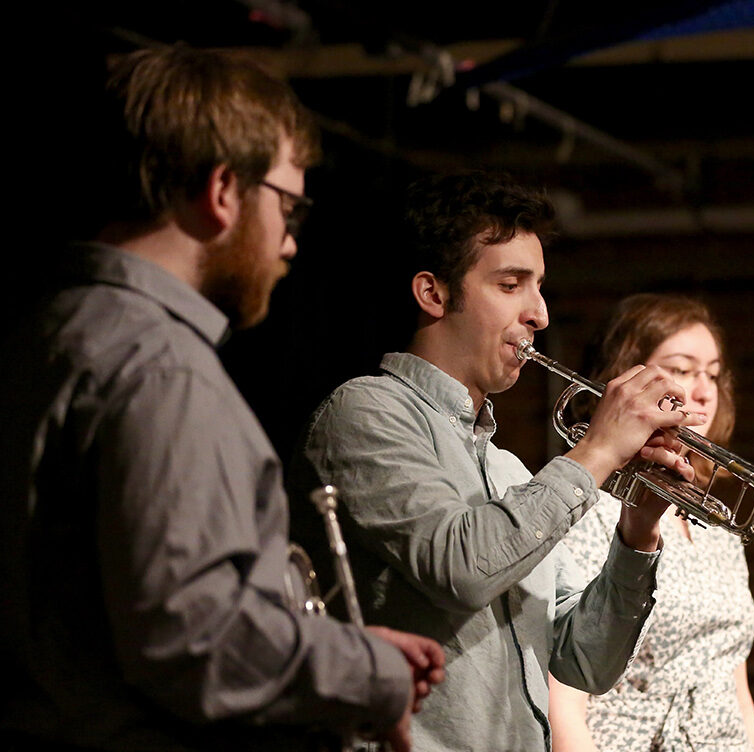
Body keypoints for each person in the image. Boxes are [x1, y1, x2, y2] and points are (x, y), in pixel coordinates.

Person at [0, 46, 442, 752]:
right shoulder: (162, 370)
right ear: (222, 191)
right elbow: (194, 641)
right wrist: (367, 672)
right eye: (290, 207)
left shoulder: (39, 338)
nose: (290, 244)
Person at [289, 172, 703, 752]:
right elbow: (461, 568)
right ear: (433, 293)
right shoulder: (364, 411)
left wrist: (638, 529)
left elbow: (585, 663)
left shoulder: (510, 472)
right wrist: (598, 451)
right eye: (512, 284)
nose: (540, 314)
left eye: (539, 287)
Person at [548, 294, 754, 752]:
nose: (703, 390)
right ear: (627, 377)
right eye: (683, 370)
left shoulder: (721, 534)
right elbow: (563, 696)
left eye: (712, 373)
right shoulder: (585, 509)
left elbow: (734, 683)